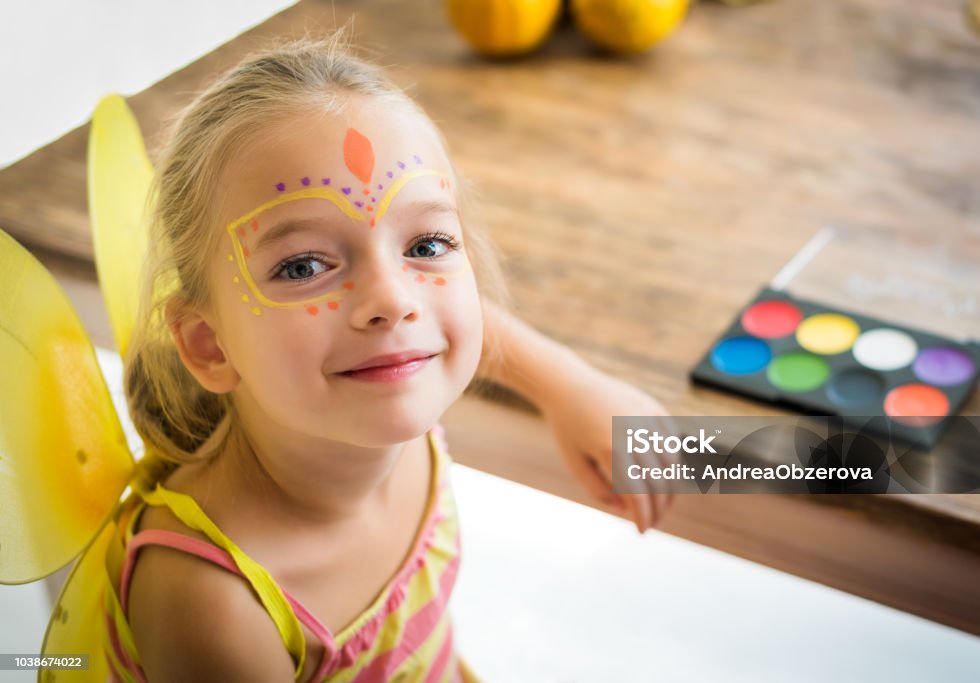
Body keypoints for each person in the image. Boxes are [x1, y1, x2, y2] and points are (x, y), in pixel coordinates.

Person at [110, 32, 673, 682]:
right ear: (209, 343)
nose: (393, 299)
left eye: (427, 245)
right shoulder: (213, 609)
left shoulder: (370, 388)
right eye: (303, 265)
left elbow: (462, 318)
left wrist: (570, 386)